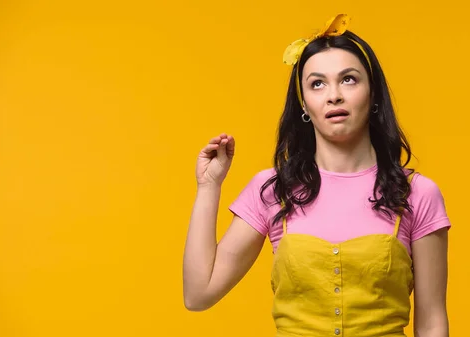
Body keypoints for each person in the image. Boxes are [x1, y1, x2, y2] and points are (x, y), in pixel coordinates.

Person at [183, 14, 451, 337]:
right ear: (305, 106)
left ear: (374, 94)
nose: (334, 95)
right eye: (317, 83)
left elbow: (432, 322)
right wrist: (209, 185)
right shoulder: (273, 190)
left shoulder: (417, 194)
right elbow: (198, 294)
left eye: (349, 79)